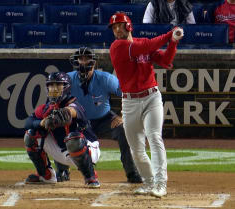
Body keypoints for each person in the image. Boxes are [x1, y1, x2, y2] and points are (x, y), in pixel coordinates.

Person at [108, 12, 184, 197]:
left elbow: (166, 61)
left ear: (129, 26)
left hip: (151, 98)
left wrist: (173, 43)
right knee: (136, 150)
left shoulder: (141, 44)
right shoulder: (118, 47)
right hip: (130, 102)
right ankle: (149, 183)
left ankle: (160, 183)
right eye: (114, 27)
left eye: (120, 25)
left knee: (154, 137)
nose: (117, 29)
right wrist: (169, 35)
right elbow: (148, 45)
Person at [53, 47, 142, 184]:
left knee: (124, 130)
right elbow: (56, 100)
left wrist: (123, 115)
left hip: (104, 119)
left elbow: (129, 94)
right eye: (80, 58)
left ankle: (131, 172)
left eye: (86, 58)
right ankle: (62, 169)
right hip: (77, 122)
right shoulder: (67, 79)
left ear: (93, 62)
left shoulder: (106, 79)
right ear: (75, 61)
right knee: (59, 127)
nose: (83, 62)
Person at [24, 72, 101, 188]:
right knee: (31, 134)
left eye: (58, 85)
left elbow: (71, 111)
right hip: (61, 152)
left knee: (73, 138)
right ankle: (46, 176)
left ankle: (90, 177)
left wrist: (61, 115)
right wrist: (41, 122)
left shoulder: (74, 103)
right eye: (51, 85)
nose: (54, 89)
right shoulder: (46, 108)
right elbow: (28, 122)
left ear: (66, 87)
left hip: (88, 149)